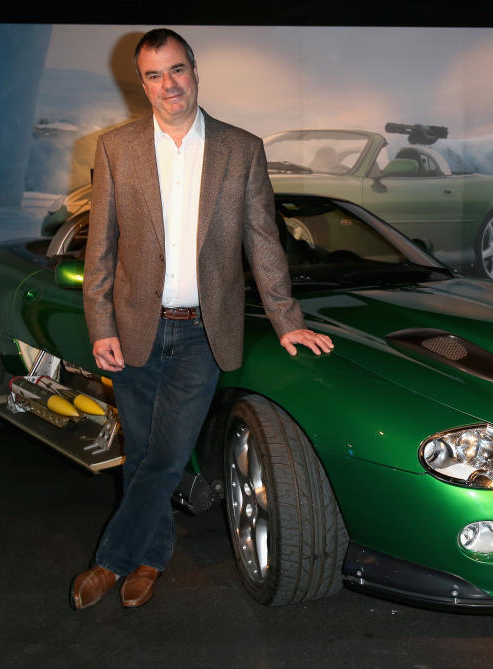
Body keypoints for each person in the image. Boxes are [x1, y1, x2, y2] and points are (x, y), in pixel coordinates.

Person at [71, 28, 333, 610]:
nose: (169, 84)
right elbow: (101, 249)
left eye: (177, 70)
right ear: (141, 84)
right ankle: (149, 559)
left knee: (166, 455)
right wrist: (101, 325)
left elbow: (264, 241)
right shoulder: (117, 148)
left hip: (201, 333)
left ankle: (110, 561)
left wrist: (287, 319)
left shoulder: (241, 149)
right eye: (154, 75)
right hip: (135, 325)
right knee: (141, 456)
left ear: (195, 70)